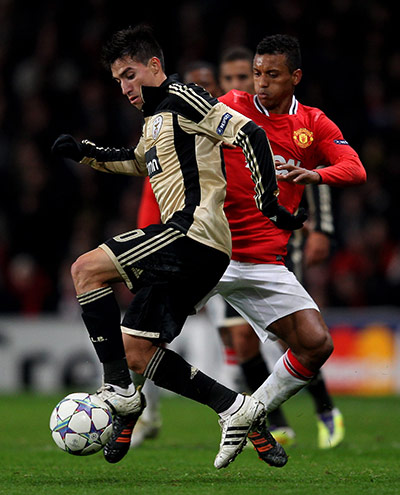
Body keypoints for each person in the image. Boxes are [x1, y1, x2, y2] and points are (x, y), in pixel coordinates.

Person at [51, 25, 302, 469]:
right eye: (117, 81)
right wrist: (84, 153)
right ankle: (234, 408)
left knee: (85, 270)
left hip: (194, 235)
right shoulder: (154, 120)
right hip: (190, 248)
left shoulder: (184, 97)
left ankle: (118, 392)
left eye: (130, 74)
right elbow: (137, 161)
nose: (125, 87)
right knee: (138, 351)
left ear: (153, 65)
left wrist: (271, 205)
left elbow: (250, 134)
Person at [195, 33, 366, 450]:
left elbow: (354, 167)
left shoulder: (312, 123)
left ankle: (255, 412)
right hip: (211, 250)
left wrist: (317, 175)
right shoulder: (232, 106)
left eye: (272, 75)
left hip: (266, 259)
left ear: (295, 76)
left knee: (314, 342)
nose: (261, 83)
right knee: (148, 334)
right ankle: (121, 405)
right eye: (257, 74)